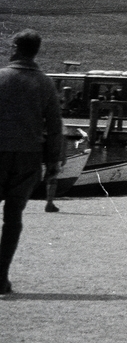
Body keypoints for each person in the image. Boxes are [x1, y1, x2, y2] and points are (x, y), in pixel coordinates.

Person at [1, 30, 64, 295]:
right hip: (28, 157)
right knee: (13, 217)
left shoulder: (1, 77)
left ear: (15, 48)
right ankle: (0, 277)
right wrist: (52, 163)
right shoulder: (45, 83)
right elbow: (55, 125)